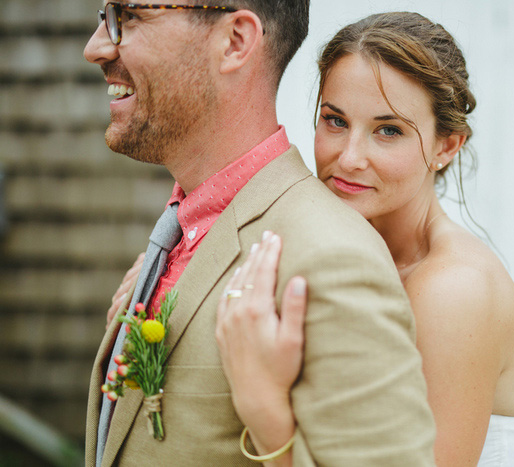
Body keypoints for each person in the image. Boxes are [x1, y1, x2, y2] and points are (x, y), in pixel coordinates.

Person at [84, 2, 436, 466]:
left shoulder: (331, 258)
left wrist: (268, 419)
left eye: (128, 16)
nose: (96, 47)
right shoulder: (184, 226)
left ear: (235, 41)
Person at [215, 12, 514, 466]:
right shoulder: (338, 254)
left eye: (389, 131)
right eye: (335, 121)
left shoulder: (454, 291)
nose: (349, 158)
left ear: (446, 147)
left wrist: (264, 408)